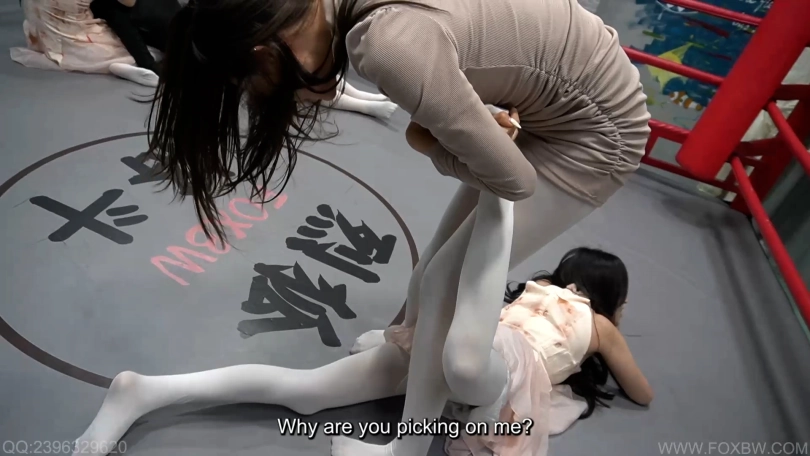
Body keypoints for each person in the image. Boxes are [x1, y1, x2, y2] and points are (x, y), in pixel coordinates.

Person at [144, 0, 651, 455]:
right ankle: (408, 347)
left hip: (598, 129)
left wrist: (431, 145)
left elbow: (512, 179)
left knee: (444, 283)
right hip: (565, 87)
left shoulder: (385, 44)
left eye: (267, 88)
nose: (294, 102)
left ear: (266, 51)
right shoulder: (362, 22)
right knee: (434, 272)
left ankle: (407, 448)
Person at [71, 244, 652, 456]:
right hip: (498, 361)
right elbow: (641, 392)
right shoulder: (602, 325)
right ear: (610, 298)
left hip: (452, 337)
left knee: (304, 391)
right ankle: (400, 449)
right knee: (477, 391)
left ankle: (145, 390)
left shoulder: (532, 291)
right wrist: (609, 333)